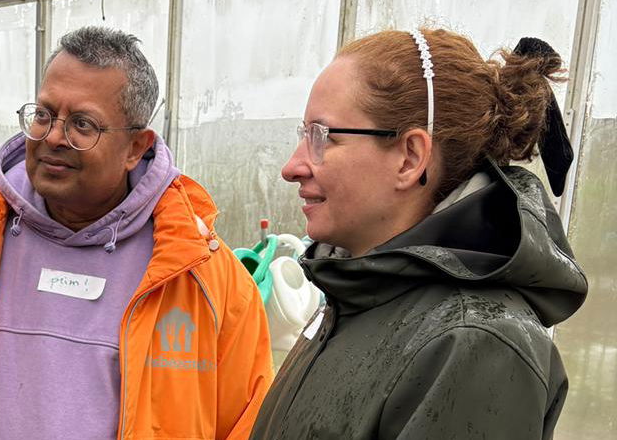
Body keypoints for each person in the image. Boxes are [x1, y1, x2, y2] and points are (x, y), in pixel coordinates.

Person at [0, 26, 273, 439]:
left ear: (135, 148)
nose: (54, 137)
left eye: (83, 125)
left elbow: (248, 423)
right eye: (43, 115)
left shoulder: (204, 278)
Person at [250, 28, 588, 439]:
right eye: (303, 136)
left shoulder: (472, 343)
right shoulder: (356, 292)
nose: (292, 166)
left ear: (410, 158)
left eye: (324, 137)